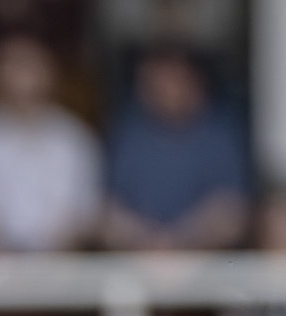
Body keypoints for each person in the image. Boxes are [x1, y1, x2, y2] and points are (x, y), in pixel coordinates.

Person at [101, 43, 251, 252]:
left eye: (169, 81)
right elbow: (107, 214)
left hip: (208, 267)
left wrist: (179, 242)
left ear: (194, 83)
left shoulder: (221, 137)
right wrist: (149, 243)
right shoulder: (128, 136)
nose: (160, 90)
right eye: (150, 84)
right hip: (137, 263)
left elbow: (233, 216)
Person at [0, 32, 101, 253]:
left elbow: (83, 216)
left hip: (58, 267)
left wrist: (50, 257)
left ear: (50, 73)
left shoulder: (73, 138)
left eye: (31, 65)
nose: (23, 76)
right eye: (14, 65)